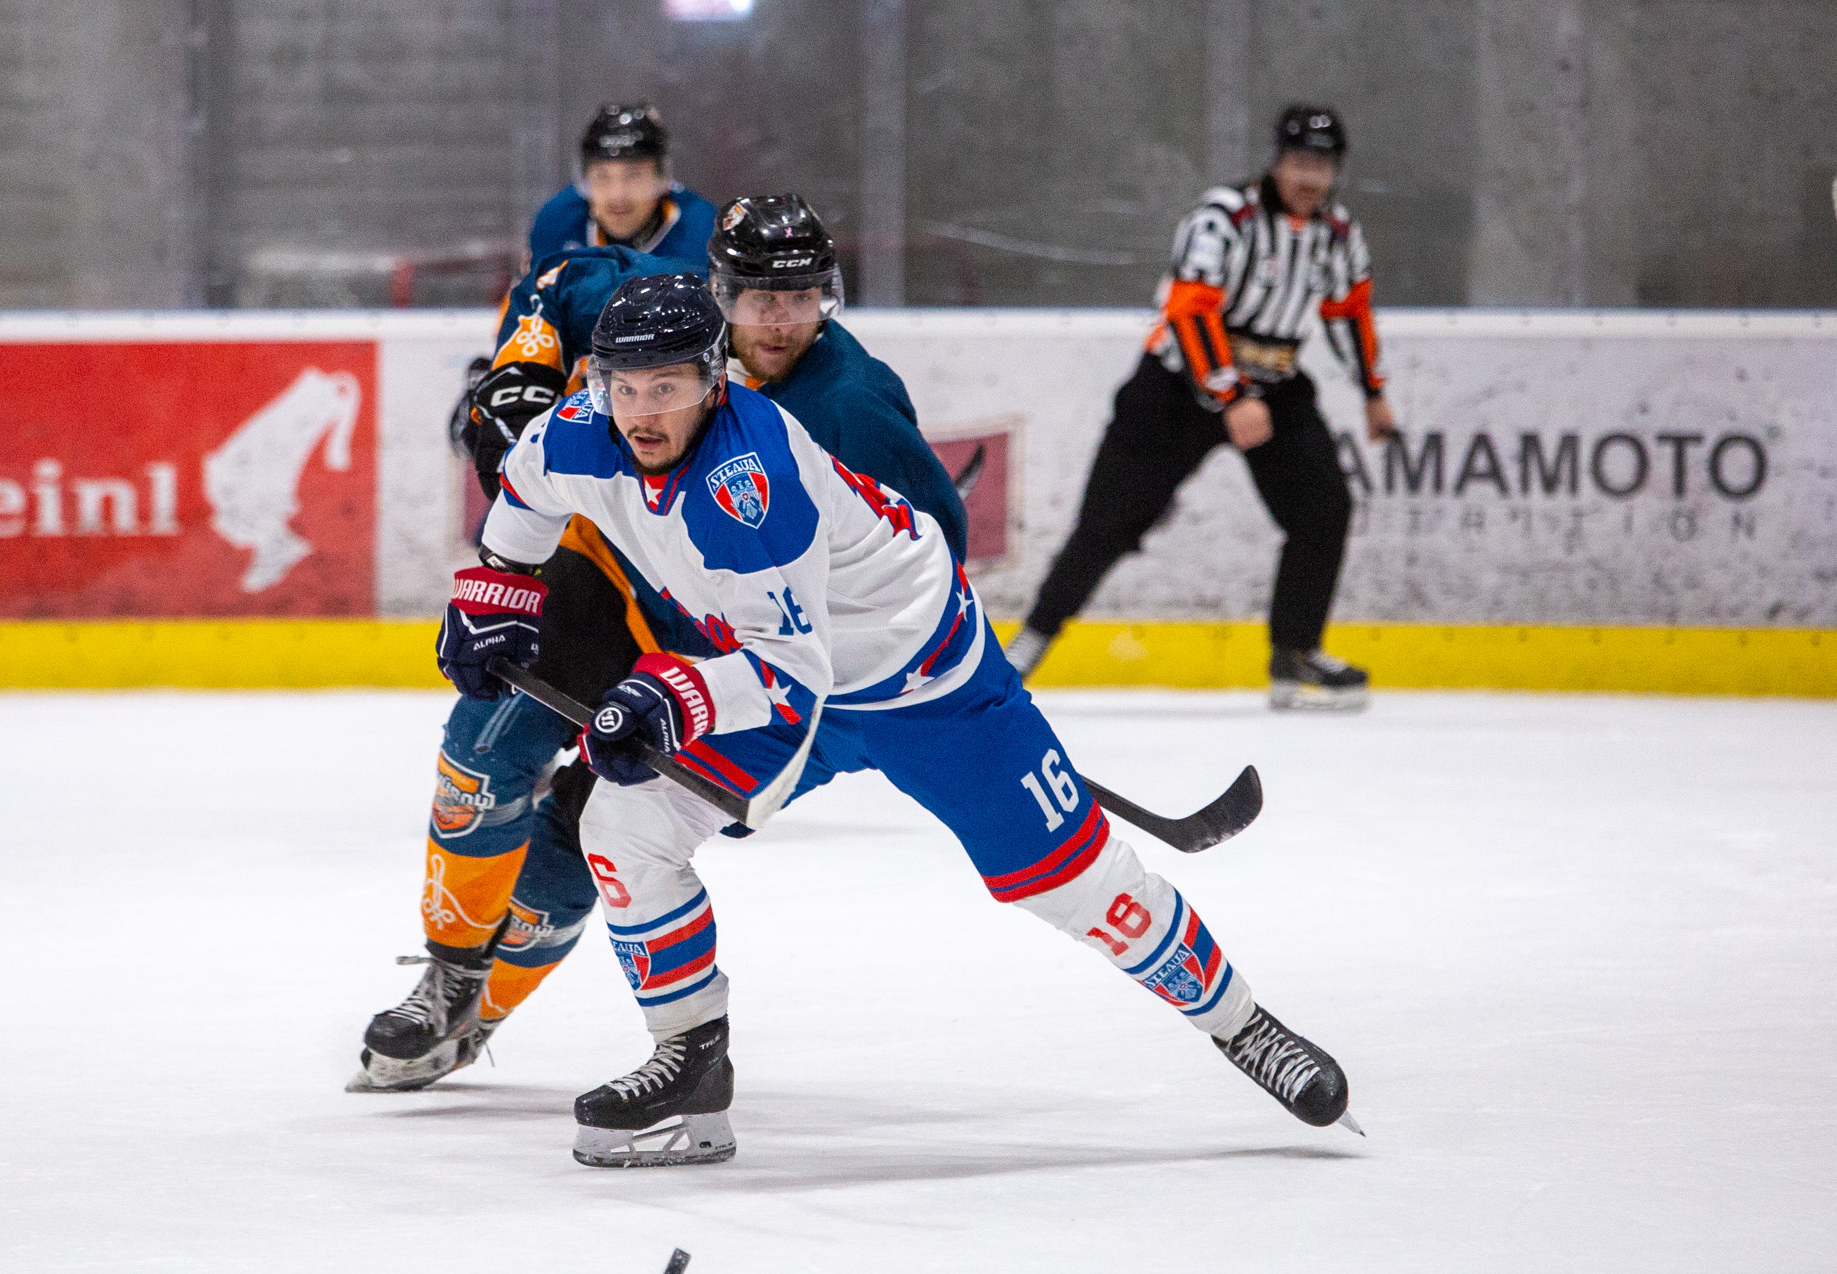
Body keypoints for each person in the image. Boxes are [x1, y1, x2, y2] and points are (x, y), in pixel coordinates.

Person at [449, 272, 1359, 1166]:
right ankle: (692, 1058)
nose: (644, 413)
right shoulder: (581, 429)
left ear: (714, 380)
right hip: (781, 665)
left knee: (1075, 884)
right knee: (623, 821)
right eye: (627, 387)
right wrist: (499, 590)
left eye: (670, 387)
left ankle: (1243, 1025)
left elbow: (789, 674)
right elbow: (526, 492)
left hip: (921, 678)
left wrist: (669, 697)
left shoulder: (747, 482)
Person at [349, 196, 967, 1093]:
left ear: (827, 297)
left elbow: (927, 568)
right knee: (486, 745)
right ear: (718, 290)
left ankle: (484, 1009)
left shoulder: (854, 406)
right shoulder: (657, 309)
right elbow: (556, 282)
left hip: (718, 652)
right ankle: (448, 973)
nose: (776, 321)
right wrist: (522, 369)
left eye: (798, 297)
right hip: (612, 582)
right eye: (754, 296)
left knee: (590, 829)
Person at [1002, 105, 1396, 711]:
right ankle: (1027, 646)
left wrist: (1372, 392)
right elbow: (1189, 309)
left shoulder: (1338, 234)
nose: (1309, 178)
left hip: (1275, 386)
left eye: (1321, 166)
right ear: (1277, 161)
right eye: (1299, 163)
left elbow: (1349, 312)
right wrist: (1229, 395)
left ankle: (1296, 653)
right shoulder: (1224, 217)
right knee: (1109, 523)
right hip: (1175, 386)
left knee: (1323, 510)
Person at [526, 104, 715, 265]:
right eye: (602, 176)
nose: (618, 195)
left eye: (633, 175)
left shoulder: (705, 234)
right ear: (585, 180)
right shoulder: (556, 224)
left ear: (661, 180)